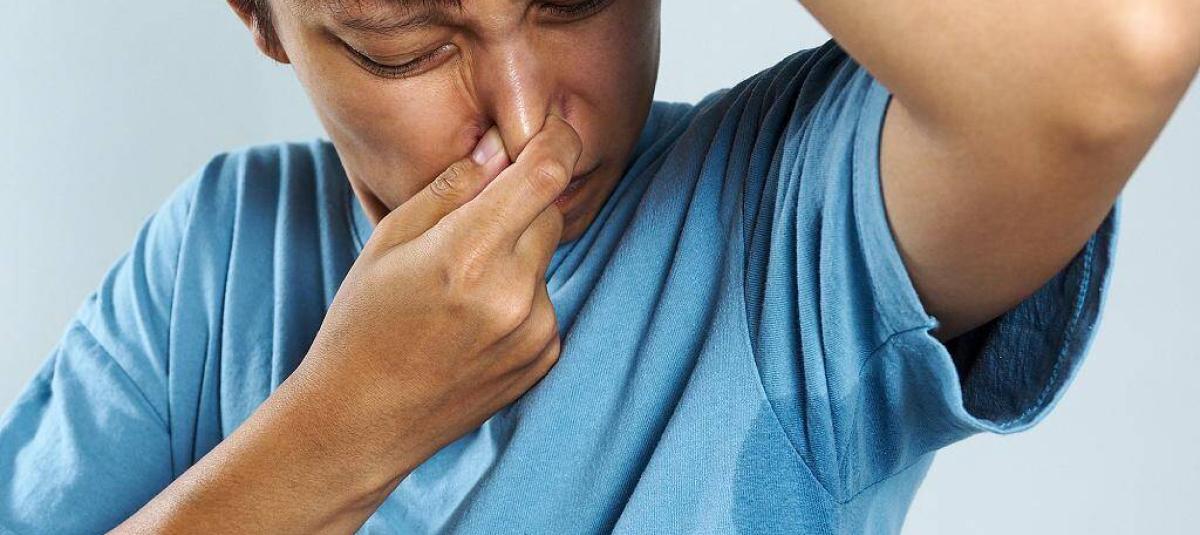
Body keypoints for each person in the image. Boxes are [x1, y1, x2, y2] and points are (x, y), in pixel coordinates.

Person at [0, 0, 1195, 533]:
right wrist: (342, 425)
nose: (530, 125)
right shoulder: (215, 257)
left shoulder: (787, 224)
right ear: (258, 16)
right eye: (406, 45)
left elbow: (1119, 55)